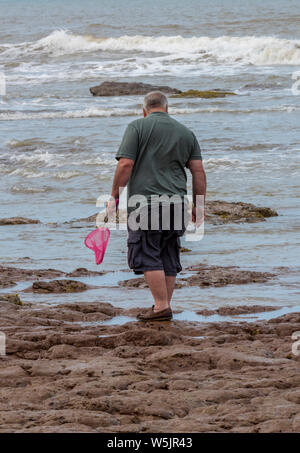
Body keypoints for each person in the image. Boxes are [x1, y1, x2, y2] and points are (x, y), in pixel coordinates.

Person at [106, 91, 206, 321]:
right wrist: (199, 206)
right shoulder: (185, 132)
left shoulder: (137, 127)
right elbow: (198, 171)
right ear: (167, 109)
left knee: (147, 253)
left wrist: (114, 196)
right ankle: (163, 306)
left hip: (146, 204)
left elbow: (125, 164)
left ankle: (161, 307)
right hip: (177, 204)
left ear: (144, 110)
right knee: (168, 255)